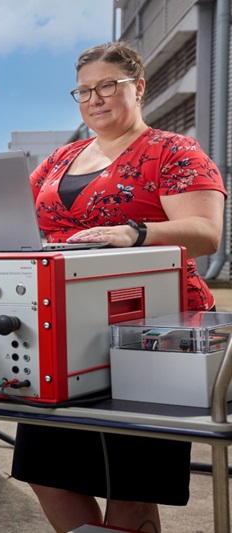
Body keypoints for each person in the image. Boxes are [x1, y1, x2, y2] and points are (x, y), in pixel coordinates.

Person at [11, 41, 227, 533]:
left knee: (131, 485)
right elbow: (23, 220)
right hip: (64, 326)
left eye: (108, 85)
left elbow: (206, 234)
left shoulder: (173, 151)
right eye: (84, 90)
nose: (95, 98)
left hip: (151, 331)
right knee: (46, 470)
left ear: (139, 87)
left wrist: (136, 233)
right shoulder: (62, 157)